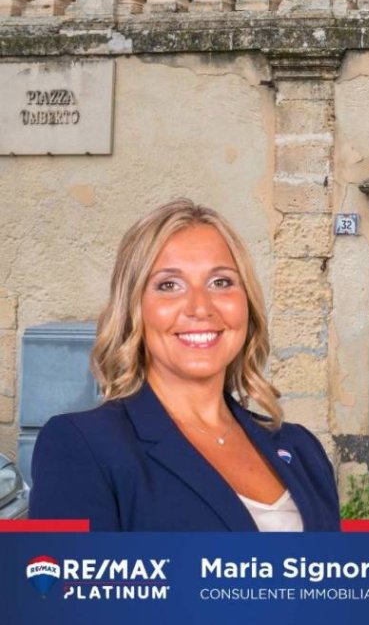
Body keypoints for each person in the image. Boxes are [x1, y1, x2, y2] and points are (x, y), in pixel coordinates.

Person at [29, 199, 341, 531]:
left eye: (221, 282)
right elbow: (65, 583)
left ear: (246, 302)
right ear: (134, 308)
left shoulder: (302, 449)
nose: (200, 307)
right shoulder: (83, 446)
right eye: (169, 285)